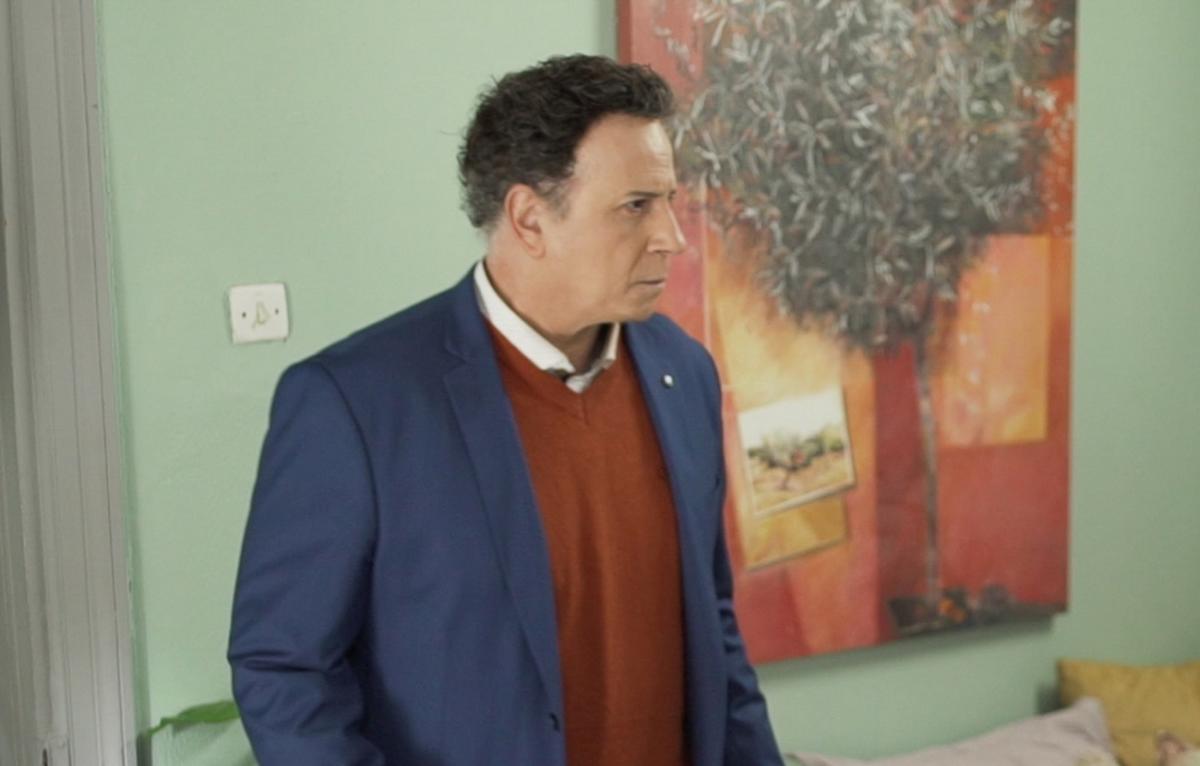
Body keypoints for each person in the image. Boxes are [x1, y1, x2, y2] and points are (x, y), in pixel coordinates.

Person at [228, 54, 784, 766]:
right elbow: (284, 669)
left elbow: (714, 632)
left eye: (669, 200)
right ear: (529, 218)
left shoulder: (686, 373)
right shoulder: (355, 403)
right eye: (636, 206)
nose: (671, 236)